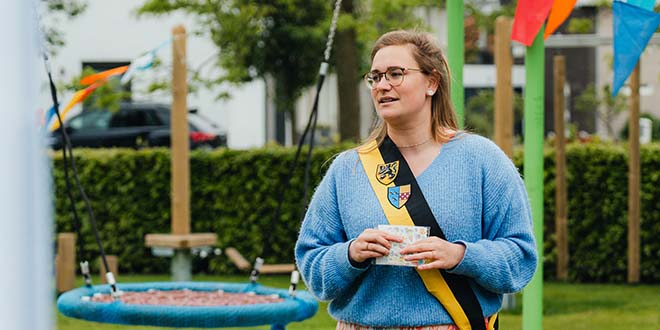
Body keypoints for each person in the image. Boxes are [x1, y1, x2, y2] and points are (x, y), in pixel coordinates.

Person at [295, 30, 537, 330]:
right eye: (375, 76)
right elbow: (311, 263)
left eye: (396, 74)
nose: (383, 85)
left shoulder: (482, 160)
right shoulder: (348, 170)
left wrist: (461, 255)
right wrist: (350, 254)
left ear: (432, 83)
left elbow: (521, 258)